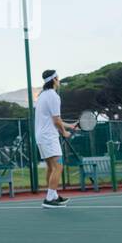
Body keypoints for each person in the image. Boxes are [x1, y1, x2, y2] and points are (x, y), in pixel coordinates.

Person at [34, 69, 76, 207]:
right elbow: (56, 121)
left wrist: (70, 126)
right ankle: (49, 198)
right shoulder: (53, 96)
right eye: (58, 78)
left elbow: (53, 119)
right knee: (58, 166)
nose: (59, 80)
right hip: (49, 137)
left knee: (51, 167)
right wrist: (64, 132)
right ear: (54, 80)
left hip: (41, 137)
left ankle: (53, 195)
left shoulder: (42, 96)